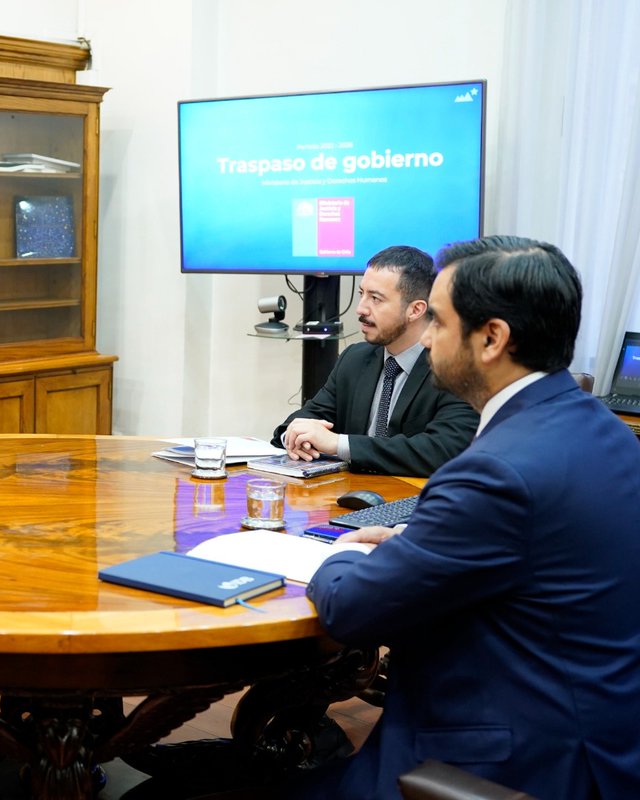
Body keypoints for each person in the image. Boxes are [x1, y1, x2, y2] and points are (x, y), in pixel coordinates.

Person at [300, 236, 640, 798]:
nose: (426, 336)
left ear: (491, 338)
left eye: (435, 320)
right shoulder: (603, 427)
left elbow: (352, 608)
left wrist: (336, 553)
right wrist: (421, 539)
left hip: (503, 764)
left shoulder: (495, 472)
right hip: (601, 740)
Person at [272, 245, 478, 477]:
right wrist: (295, 436)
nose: (361, 309)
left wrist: (339, 444)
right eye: (362, 294)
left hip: (412, 502)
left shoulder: (456, 368)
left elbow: (443, 450)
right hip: (350, 496)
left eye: (376, 299)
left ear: (416, 310)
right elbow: (307, 418)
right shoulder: (355, 359)